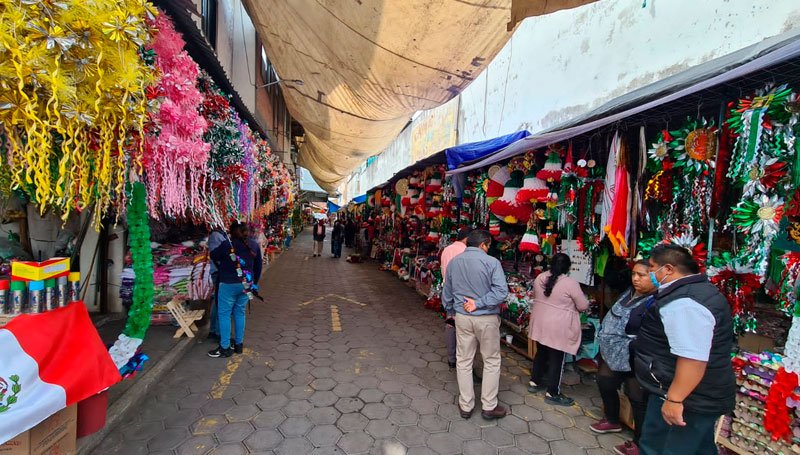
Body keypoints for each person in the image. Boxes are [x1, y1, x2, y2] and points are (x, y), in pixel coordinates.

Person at [632, 244, 735, 455]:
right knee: (698, 448)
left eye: (652, 268)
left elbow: (693, 358)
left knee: (661, 448)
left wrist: (674, 399)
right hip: (695, 394)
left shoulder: (684, 302)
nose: (649, 273)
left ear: (668, 269)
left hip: (687, 398)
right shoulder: (695, 291)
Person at [589, 259, 655, 455]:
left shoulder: (655, 300)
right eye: (634, 274)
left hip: (636, 356)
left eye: (641, 275)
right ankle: (612, 419)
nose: (636, 278)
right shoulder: (629, 292)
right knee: (604, 380)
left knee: (637, 397)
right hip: (613, 353)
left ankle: (640, 443)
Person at [442, 230, 509, 420]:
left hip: (462, 317)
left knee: (463, 360)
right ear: (483, 245)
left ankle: (466, 406)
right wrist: (479, 303)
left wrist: (449, 310)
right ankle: (489, 406)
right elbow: (501, 292)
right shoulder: (491, 262)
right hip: (486, 318)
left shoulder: (455, 262)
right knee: (491, 360)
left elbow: (447, 291)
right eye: (489, 246)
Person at [528, 253, 590, 406]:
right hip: (558, 327)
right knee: (557, 359)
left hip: (541, 323)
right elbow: (583, 305)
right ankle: (552, 392)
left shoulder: (540, 277)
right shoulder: (570, 283)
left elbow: (536, 295)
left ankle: (534, 382)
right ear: (568, 268)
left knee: (541, 352)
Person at [208, 222, 263, 358]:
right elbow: (258, 266)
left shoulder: (228, 244)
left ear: (232, 232)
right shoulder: (254, 244)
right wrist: (254, 283)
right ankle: (239, 345)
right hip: (246, 284)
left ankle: (225, 347)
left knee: (224, 314)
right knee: (240, 312)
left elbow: (214, 255)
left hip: (228, 284)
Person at [441, 228, 471, 369]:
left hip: (448, 291)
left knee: (450, 324)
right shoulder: (466, 252)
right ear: (467, 238)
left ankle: (451, 357)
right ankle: (462, 359)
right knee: (463, 327)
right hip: (461, 293)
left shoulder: (447, 249)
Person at [206, 227, 226, 341]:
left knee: (217, 302)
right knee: (221, 303)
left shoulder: (219, 234)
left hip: (219, 272)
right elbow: (215, 255)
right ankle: (218, 333)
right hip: (218, 273)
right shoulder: (215, 236)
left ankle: (213, 330)